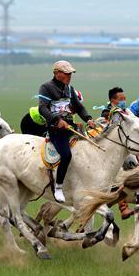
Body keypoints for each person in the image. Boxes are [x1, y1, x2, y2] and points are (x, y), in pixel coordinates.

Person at [38, 60, 96, 203]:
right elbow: (42, 108)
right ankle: (58, 187)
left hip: (70, 127)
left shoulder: (69, 89)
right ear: (57, 73)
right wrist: (57, 121)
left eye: (70, 73)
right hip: (56, 130)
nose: (69, 76)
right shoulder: (46, 87)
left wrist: (88, 119)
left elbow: (79, 107)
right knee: (66, 154)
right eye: (66, 73)